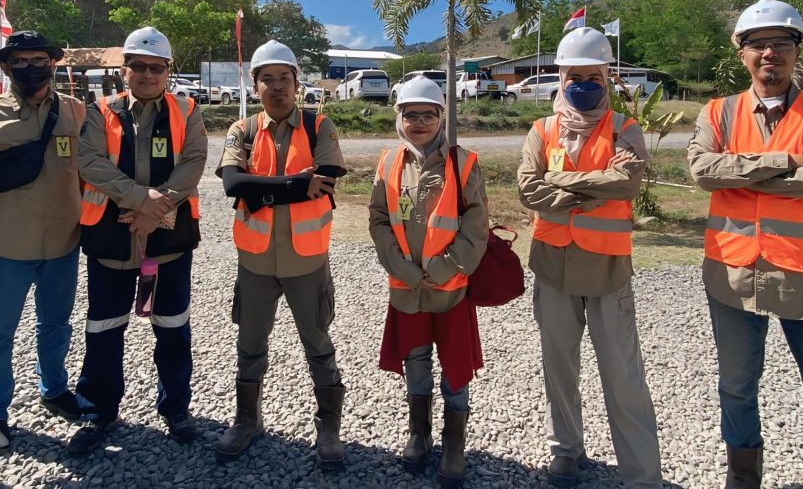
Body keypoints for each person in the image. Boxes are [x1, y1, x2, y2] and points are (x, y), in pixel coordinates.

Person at [688, 0, 803, 489]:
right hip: (733, 270)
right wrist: (789, 161)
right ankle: (743, 477)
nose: (771, 53)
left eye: (782, 43)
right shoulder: (717, 112)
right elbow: (704, 171)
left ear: (797, 50)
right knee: (737, 389)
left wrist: (742, 173)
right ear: (741, 53)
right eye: (759, 44)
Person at [516, 27, 662, 489]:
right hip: (552, 267)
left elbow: (626, 183)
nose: (582, 84)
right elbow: (526, 189)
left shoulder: (625, 128)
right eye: (573, 75)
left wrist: (559, 184)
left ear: (606, 75)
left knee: (622, 377)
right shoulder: (542, 129)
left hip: (606, 269)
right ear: (561, 78)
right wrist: (588, 185)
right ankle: (565, 449)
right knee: (559, 368)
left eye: (591, 75)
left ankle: (640, 474)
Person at [67, 26, 207, 456]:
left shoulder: (187, 109)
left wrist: (157, 207)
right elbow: (88, 160)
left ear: (168, 71)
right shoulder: (101, 110)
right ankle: (98, 412)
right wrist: (139, 199)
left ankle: (176, 409)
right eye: (139, 66)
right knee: (105, 327)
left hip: (168, 239)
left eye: (156, 67)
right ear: (124, 70)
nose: (147, 74)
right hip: (113, 237)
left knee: (172, 326)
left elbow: (194, 161)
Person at [216, 39, 347, 469]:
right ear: (255, 85)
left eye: (284, 79)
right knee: (249, 345)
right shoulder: (243, 130)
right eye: (267, 79)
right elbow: (234, 185)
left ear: (296, 83)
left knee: (318, 345)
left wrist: (262, 190)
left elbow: (324, 180)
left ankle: (329, 429)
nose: (277, 87)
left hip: (306, 261)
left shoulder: (319, 127)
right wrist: (294, 185)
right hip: (254, 261)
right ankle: (246, 420)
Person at [0, 30, 86, 456]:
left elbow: (89, 172)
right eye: (22, 61)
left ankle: (54, 389)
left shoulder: (74, 111)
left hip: (63, 243)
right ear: (7, 68)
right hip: (7, 247)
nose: (33, 68)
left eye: (40, 60)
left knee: (56, 324)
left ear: (52, 64)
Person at [369, 76, 488, 488]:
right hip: (406, 289)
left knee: (455, 367)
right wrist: (400, 267)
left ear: (441, 117)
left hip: (450, 288)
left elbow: (476, 226)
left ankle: (454, 443)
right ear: (398, 117)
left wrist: (446, 268)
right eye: (410, 114)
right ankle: (418, 434)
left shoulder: (465, 163)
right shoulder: (387, 164)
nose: (419, 122)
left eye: (428, 114)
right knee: (415, 360)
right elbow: (379, 220)